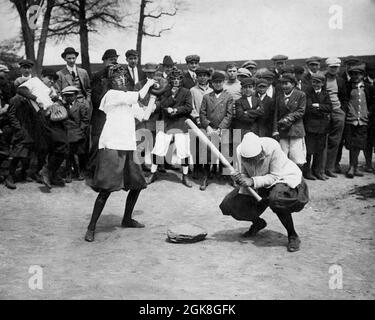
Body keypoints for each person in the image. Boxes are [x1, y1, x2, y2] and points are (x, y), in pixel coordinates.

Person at [85, 64, 156, 242]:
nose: (121, 80)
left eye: (124, 78)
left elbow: (144, 116)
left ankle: (127, 219)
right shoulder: (111, 95)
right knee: (105, 189)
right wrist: (150, 83)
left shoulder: (128, 100)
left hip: (128, 145)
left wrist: (155, 96)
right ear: (111, 82)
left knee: (137, 184)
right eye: (117, 78)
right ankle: (91, 227)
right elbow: (139, 95)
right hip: (111, 145)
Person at [220, 132, 309, 252]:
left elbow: (274, 176)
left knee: (277, 200)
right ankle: (258, 223)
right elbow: (243, 174)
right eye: (248, 160)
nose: (251, 162)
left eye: (253, 159)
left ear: (261, 152)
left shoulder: (273, 146)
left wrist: (252, 181)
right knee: (228, 205)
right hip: (258, 184)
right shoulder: (240, 151)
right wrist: (238, 178)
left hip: (282, 180)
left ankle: (292, 235)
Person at [147, 67, 193, 188]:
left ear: (182, 80)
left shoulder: (186, 92)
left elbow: (189, 108)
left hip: (181, 123)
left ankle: (185, 175)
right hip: (166, 122)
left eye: (179, 78)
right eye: (174, 78)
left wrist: (176, 110)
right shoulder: (165, 90)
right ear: (170, 79)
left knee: (184, 150)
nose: (176, 81)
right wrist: (171, 98)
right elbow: (162, 105)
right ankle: (153, 172)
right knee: (158, 148)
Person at [199, 71, 233, 190]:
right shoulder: (207, 97)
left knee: (225, 153)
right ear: (211, 83)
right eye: (215, 82)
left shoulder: (228, 96)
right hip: (210, 129)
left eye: (220, 82)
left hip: (222, 129)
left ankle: (228, 176)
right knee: (208, 154)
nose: (217, 84)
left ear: (223, 82)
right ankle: (206, 177)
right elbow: (202, 113)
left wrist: (220, 129)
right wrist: (207, 126)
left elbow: (229, 115)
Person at [343, 63, 375, 178]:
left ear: (362, 75)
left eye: (358, 74)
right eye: (353, 74)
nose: (356, 76)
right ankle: (352, 166)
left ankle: (355, 167)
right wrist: (348, 112)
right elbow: (345, 101)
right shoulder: (348, 86)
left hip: (363, 120)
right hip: (351, 119)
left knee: (359, 143)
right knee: (351, 143)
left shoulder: (368, 87)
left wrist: (369, 113)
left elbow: (372, 102)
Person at [303, 72, 333, 180]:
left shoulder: (325, 94)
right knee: (309, 150)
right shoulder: (307, 93)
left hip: (322, 127)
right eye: (314, 82)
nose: (315, 84)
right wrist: (322, 110)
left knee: (320, 150)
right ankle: (307, 172)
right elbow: (309, 108)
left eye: (318, 82)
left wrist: (318, 106)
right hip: (310, 126)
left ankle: (317, 171)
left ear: (323, 83)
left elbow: (330, 107)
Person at [273, 73, 307, 169]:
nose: (284, 86)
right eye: (282, 84)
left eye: (286, 83)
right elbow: (276, 114)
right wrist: (275, 129)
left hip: (296, 129)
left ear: (293, 84)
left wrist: (288, 118)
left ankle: (298, 178)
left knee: (296, 156)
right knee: (283, 155)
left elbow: (301, 111)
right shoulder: (279, 97)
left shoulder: (301, 95)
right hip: (282, 130)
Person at [323, 57, 348, 177]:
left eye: (336, 67)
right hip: (324, 111)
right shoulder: (322, 79)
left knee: (335, 141)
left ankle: (330, 168)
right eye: (331, 67)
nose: (334, 69)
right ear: (327, 67)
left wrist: (342, 111)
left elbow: (344, 97)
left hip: (337, 111)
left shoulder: (340, 80)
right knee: (323, 140)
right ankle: (320, 169)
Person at [62, 86, 89, 182]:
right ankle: (68, 173)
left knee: (81, 154)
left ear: (76, 95)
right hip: (67, 133)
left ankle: (80, 171)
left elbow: (85, 120)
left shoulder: (81, 106)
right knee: (68, 154)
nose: (69, 97)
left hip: (78, 133)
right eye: (66, 96)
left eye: (71, 95)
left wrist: (80, 131)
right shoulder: (62, 106)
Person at [190, 67, 213, 179]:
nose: (202, 78)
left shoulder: (212, 90)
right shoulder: (193, 90)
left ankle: (207, 171)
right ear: (197, 77)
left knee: (208, 146)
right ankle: (197, 168)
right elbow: (192, 107)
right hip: (197, 121)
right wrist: (197, 119)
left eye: (205, 75)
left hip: (209, 122)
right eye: (200, 75)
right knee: (196, 145)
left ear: (208, 77)